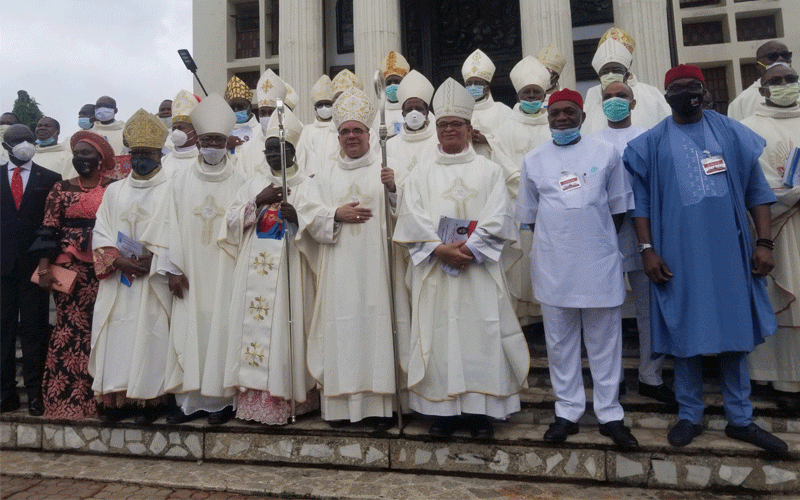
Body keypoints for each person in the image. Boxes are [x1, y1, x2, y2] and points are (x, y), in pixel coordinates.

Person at [623, 64, 787, 453]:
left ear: (705, 89)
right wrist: (647, 250)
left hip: (731, 251)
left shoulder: (731, 132)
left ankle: (741, 418)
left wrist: (765, 242)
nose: (686, 92)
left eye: (693, 85)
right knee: (684, 329)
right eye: (677, 87)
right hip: (677, 254)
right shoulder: (652, 142)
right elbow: (639, 204)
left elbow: (757, 190)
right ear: (666, 96)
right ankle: (689, 414)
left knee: (735, 330)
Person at [393, 78, 529, 439]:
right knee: (439, 335)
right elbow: (411, 216)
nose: (449, 129)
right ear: (436, 131)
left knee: (481, 333)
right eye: (443, 125)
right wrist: (440, 249)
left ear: (470, 129)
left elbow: (500, 214)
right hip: (436, 269)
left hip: (477, 269)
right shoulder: (421, 173)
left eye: (456, 124)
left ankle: (480, 412)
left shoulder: (489, 171)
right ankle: (442, 412)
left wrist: (469, 249)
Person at [517, 88, 638, 449]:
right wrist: (561, 242)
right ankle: (567, 411)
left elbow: (618, 208)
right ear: (548, 118)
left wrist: (592, 239)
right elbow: (531, 216)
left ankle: (610, 413)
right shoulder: (534, 159)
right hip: (554, 264)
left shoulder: (606, 153)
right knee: (560, 343)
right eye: (556, 113)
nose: (562, 118)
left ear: (583, 116)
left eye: (569, 112)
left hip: (598, 262)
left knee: (605, 342)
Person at [295, 87, 405, 429]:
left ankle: (380, 407)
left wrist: (393, 191)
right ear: (337, 136)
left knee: (378, 326)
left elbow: (406, 215)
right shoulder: (324, 174)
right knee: (341, 327)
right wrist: (334, 215)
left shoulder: (386, 168)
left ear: (369, 134)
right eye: (344, 131)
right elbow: (307, 213)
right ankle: (342, 408)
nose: (351, 136)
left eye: (357, 130)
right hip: (339, 268)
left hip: (378, 269)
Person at [208, 108, 319, 425]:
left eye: (280, 148)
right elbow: (227, 225)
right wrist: (257, 201)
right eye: (269, 149)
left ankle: (288, 400)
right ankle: (253, 401)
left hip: (290, 272)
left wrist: (298, 217)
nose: (273, 155)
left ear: (293, 150)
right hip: (253, 270)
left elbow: (319, 228)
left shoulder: (307, 186)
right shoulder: (251, 184)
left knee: (287, 328)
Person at [161, 93, 246, 425]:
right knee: (189, 331)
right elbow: (168, 223)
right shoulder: (180, 180)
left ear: (227, 142)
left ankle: (221, 402)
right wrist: (171, 268)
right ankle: (187, 403)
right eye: (208, 139)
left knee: (223, 331)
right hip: (189, 272)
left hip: (227, 271)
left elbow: (245, 223)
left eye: (218, 139)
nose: (212, 144)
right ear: (197, 141)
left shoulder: (241, 180)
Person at [592, 82, 674, 404]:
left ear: (634, 102)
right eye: (608, 97)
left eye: (621, 96)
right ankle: (609, 380)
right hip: (605, 234)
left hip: (645, 234)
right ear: (601, 105)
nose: (615, 101)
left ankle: (650, 376)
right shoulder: (591, 142)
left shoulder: (649, 137)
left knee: (648, 308)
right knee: (605, 311)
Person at [89, 109, 173, 424]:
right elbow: (101, 231)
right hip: (119, 278)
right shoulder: (114, 191)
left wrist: (158, 258)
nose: (140, 159)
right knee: (118, 333)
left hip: (153, 279)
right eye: (135, 153)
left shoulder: (172, 188)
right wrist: (119, 260)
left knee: (150, 336)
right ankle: (116, 400)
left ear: (160, 154)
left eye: (147, 154)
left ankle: (150, 401)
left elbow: (177, 232)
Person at [32, 131, 116, 419]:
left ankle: (103, 400)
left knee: (102, 329)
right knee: (68, 331)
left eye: (87, 154)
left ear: (100, 158)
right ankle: (64, 401)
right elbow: (48, 229)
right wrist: (44, 269)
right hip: (69, 271)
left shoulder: (115, 188)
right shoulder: (60, 188)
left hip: (106, 269)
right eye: (77, 154)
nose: (82, 159)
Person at [741, 64, 800, 410]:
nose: (783, 85)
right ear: (762, 91)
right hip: (775, 228)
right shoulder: (749, 129)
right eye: (774, 82)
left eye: (789, 79)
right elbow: (755, 186)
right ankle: (784, 380)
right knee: (779, 302)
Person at [1, 125, 62, 415]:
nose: (24, 144)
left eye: (28, 139)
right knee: (3, 332)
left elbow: (52, 226)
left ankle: (36, 394)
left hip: (35, 269)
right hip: (2, 269)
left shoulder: (49, 178)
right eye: (16, 140)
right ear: (5, 145)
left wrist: (46, 262)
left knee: (34, 331)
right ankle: (6, 393)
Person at [495, 56, 553, 322]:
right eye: (526, 93)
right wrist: (528, 188)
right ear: (518, 95)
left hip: (553, 205)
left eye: (536, 93)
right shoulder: (505, 127)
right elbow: (501, 162)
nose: (531, 96)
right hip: (517, 204)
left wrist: (548, 190)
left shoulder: (556, 124)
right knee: (522, 263)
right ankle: (524, 320)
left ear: (544, 94)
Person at [582, 28, 671, 135]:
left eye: (616, 70)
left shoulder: (650, 94)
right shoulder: (592, 94)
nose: (611, 75)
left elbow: (666, 130)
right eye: (605, 71)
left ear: (626, 72)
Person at [385, 70, 438, 184]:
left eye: (419, 109)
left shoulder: (438, 140)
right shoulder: (391, 146)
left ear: (427, 112)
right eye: (409, 110)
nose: (414, 114)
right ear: (403, 113)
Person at [239, 69, 288, 176]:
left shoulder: (293, 144)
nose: (267, 117)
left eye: (271, 112)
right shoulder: (247, 149)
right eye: (263, 113)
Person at [728, 41, 792, 121]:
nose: (781, 59)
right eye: (772, 56)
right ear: (758, 65)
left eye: (785, 55)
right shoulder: (742, 102)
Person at [461, 49, 512, 147]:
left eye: (478, 83)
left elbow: (512, 139)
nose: (472, 86)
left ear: (487, 86)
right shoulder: (458, 111)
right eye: (469, 84)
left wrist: (487, 139)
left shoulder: (503, 111)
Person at [296, 75, 335, 177]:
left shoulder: (339, 129)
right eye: (320, 105)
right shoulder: (307, 130)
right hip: (311, 181)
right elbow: (300, 159)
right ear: (315, 108)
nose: (324, 108)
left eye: (327, 104)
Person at [371, 51, 411, 137]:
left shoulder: (412, 108)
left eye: (397, 82)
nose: (392, 85)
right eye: (388, 83)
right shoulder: (379, 115)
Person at [161, 90, 200, 177]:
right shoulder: (164, 161)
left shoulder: (202, 159)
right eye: (174, 128)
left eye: (180, 128)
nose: (176, 132)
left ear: (194, 132)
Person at [225, 75, 259, 154]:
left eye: (240, 107)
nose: (236, 110)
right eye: (233, 107)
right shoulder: (224, 133)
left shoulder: (260, 131)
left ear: (250, 108)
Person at [538, 44, 568, 108]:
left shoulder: (567, 99)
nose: (543, 77)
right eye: (540, 72)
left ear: (556, 77)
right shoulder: (531, 100)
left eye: (547, 73)